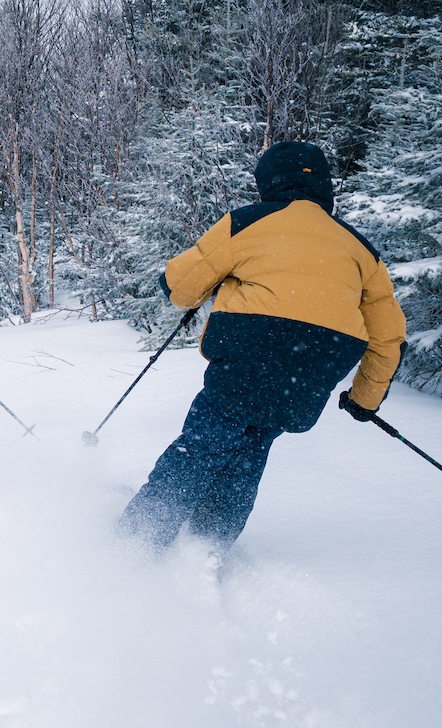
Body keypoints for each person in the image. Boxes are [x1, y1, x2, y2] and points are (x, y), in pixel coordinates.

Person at [117, 141, 406, 555]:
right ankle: (208, 545)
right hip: (312, 367)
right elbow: (387, 336)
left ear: (267, 180)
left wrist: (192, 282)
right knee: (252, 446)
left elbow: (181, 288)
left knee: (204, 444)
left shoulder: (247, 222)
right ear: (326, 186)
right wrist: (365, 399)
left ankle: (138, 541)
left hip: (252, 349)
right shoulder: (361, 250)